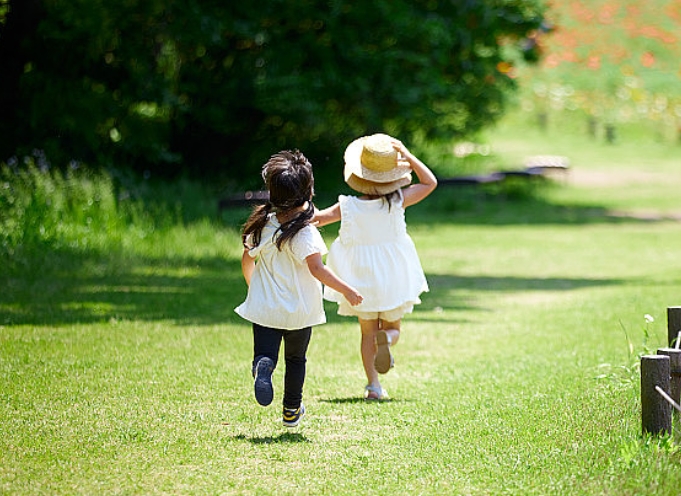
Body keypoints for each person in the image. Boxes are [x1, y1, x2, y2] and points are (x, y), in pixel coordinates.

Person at [235, 150, 363, 427]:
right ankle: (291, 411)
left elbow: (247, 260)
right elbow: (318, 269)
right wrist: (348, 290)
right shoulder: (304, 233)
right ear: (307, 191)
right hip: (300, 311)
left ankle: (262, 366)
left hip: (265, 308)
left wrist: (254, 289)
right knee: (296, 360)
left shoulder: (260, 225)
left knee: (266, 353)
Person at [314, 134, 437, 400]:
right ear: (393, 177)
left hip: (359, 279)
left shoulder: (346, 206)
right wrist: (407, 153)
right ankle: (389, 340)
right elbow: (430, 182)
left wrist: (292, 214)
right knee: (392, 327)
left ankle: (373, 386)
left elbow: (318, 220)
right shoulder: (397, 202)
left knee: (367, 333)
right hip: (393, 276)